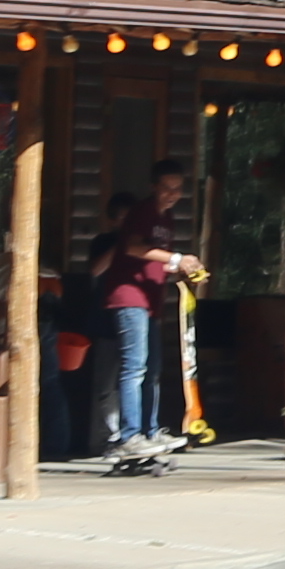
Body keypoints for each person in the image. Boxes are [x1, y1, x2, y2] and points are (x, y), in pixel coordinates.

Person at [85, 171, 202, 469]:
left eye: (178, 188)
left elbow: (152, 262)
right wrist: (176, 259)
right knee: (134, 367)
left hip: (151, 302)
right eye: (166, 187)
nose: (172, 194)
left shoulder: (167, 219)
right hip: (128, 299)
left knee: (153, 370)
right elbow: (134, 248)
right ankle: (130, 435)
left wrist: (180, 270)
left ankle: (150, 432)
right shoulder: (142, 212)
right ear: (154, 186)